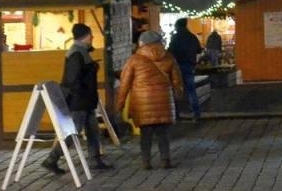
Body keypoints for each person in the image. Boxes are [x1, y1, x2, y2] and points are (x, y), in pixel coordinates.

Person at [44, 23, 109, 174]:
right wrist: (90, 74)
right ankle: (52, 159)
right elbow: (73, 79)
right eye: (90, 34)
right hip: (79, 100)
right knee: (73, 132)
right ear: (85, 36)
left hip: (85, 100)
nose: (92, 37)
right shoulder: (76, 53)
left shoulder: (81, 51)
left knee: (92, 130)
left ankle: (95, 159)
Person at [117, 30, 184, 170]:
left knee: (145, 134)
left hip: (143, 102)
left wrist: (120, 104)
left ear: (142, 43)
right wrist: (178, 94)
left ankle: (146, 162)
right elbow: (177, 80)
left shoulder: (134, 59)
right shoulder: (169, 57)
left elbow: (125, 83)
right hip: (164, 100)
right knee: (162, 133)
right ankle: (165, 160)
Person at [167, 19, 204, 124]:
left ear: (177, 26)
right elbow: (198, 50)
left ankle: (176, 114)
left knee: (176, 89)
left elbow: (170, 51)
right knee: (192, 90)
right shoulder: (192, 37)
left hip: (177, 66)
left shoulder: (176, 37)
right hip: (189, 66)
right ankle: (196, 114)